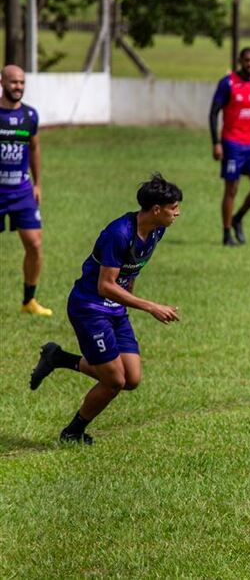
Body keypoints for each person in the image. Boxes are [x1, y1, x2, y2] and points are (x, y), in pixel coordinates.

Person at [29, 175, 182, 444]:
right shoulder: (118, 233)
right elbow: (105, 286)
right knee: (114, 382)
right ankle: (72, 432)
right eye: (174, 207)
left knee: (131, 378)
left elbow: (133, 268)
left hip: (115, 310)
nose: (178, 213)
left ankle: (59, 358)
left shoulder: (157, 230)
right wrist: (151, 307)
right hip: (90, 308)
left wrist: (126, 305)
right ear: (157, 209)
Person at [0, 65, 51, 316]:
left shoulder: (30, 115)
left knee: (34, 244)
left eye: (21, 83)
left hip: (22, 191)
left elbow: (34, 148)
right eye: (13, 82)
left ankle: (29, 301)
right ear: (2, 82)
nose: (18, 87)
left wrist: (38, 183)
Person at [210, 47, 250, 246]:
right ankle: (227, 234)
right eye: (247, 60)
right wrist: (216, 143)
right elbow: (213, 113)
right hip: (232, 143)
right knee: (232, 188)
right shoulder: (227, 83)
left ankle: (238, 218)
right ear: (240, 61)